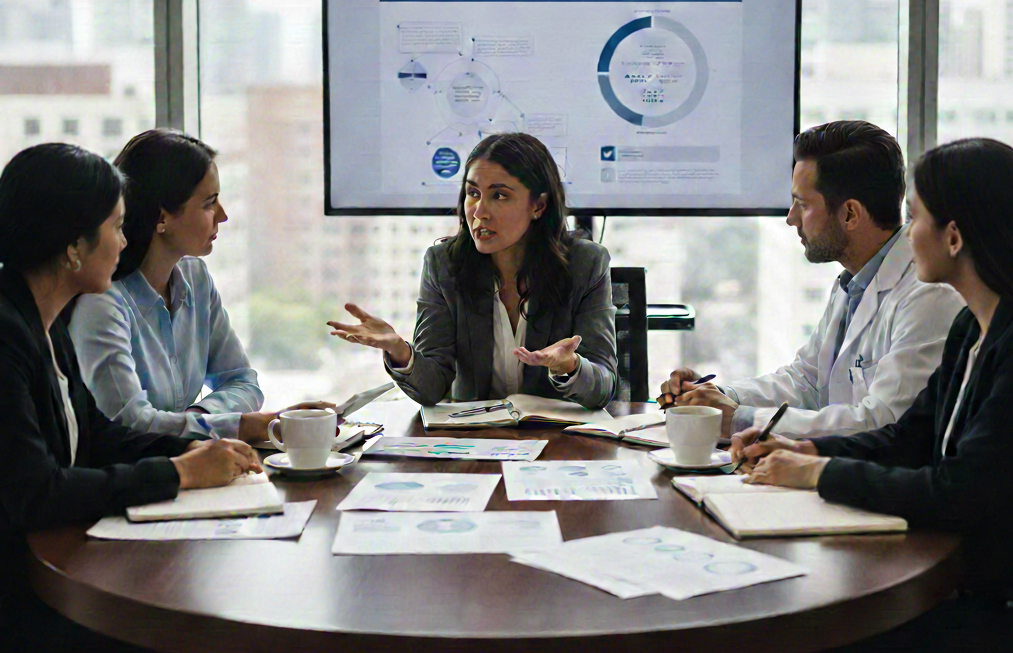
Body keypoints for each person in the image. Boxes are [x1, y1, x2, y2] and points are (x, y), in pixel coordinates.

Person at [733, 138, 1013, 650]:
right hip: (954, 577)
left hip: (990, 605)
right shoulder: (970, 332)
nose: (907, 235)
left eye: (916, 217)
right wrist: (807, 450)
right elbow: (907, 437)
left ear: (953, 237)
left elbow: (960, 490)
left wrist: (820, 473)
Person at [0, 143, 260, 651]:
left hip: (48, 575)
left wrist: (196, 451)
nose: (125, 242)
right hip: (23, 598)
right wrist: (181, 473)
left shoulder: (42, 322)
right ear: (74, 245)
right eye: (117, 227)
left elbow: (99, 434)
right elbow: (38, 492)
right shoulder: (9, 335)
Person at [661, 120, 964, 439]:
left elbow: (882, 423)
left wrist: (740, 419)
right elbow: (805, 381)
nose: (791, 218)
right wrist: (716, 397)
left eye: (803, 205)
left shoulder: (929, 295)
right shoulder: (853, 282)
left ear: (850, 214)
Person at [327, 133, 617, 410]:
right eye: (472, 193)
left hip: (557, 445)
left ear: (538, 206)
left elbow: (603, 388)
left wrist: (570, 366)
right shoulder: (444, 265)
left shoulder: (585, 263)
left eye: (500, 196)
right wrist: (401, 351)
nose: (479, 212)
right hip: (476, 443)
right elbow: (432, 388)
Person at [69, 129, 322, 444]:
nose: (224, 215)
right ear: (161, 217)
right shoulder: (102, 304)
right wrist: (241, 426)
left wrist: (194, 421)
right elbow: (128, 424)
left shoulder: (195, 278)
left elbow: (243, 382)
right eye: (209, 203)